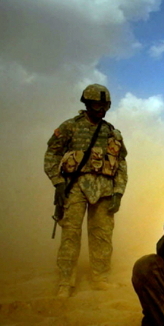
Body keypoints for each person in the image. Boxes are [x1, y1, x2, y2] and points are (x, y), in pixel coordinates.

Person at [44, 84, 128, 297]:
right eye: (97, 105)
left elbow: (121, 164)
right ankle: (65, 281)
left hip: (105, 190)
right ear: (87, 104)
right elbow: (52, 155)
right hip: (75, 188)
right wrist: (58, 183)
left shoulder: (112, 132)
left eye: (105, 105)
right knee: (70, 235)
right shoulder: (70, 127)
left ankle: (100, 278)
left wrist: (118, 192)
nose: (102, 110)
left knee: (102, 237)